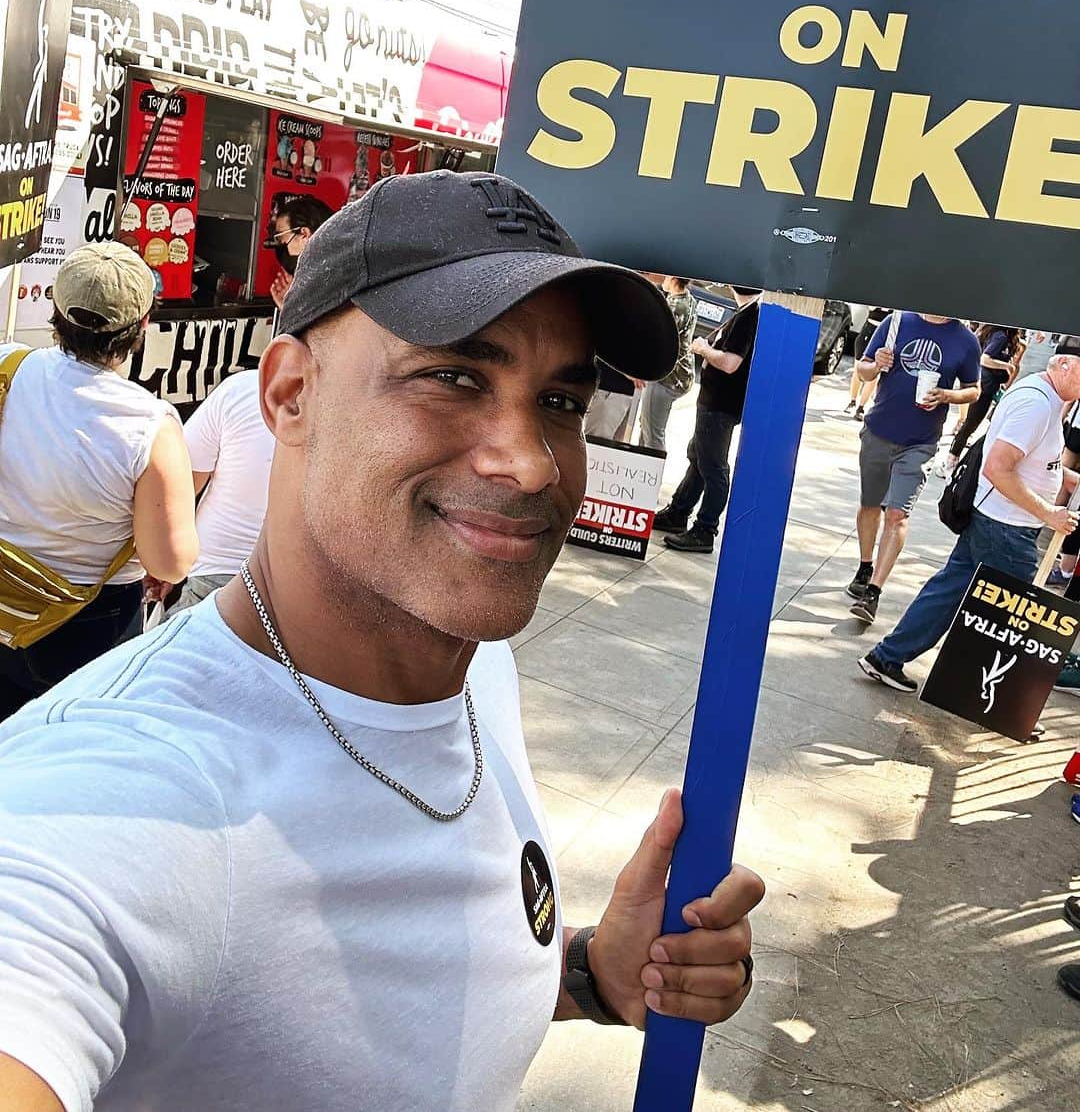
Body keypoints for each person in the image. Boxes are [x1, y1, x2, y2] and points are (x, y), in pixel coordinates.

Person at [0, 172, 763, 1111]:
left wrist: (593, 978)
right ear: (289, 395)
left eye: (561, 402)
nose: (527, 463)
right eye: (452, 377)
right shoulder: (113, 803)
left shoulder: (476, 666)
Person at [0, 244, 197, 720]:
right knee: (62, 754)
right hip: (89, 622)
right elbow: (170, 561)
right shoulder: (152, 426)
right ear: (141, 327)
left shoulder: (8, 366)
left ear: (56, 311)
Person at [859, 345, 1080, 691]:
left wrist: (1062, 477)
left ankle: (886, 657)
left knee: (948, 592)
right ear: (1064, 364)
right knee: (1016, 618)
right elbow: (997, 467)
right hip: (1006, 529)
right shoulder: (1036, 403)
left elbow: (1029, 458)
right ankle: (1000, 701)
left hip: (997, 524)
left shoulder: (1046, 396)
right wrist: (1048, 512)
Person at [847, 312, 981, 623]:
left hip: (920, 442)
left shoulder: (965, 340)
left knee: (897, 513)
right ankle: (865, 565)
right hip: (879, 431)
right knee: (870, 505)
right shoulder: (895, 323)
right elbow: (864, 371)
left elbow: (974, 389)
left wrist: (947, 395)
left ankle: (873, 593)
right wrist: (875, 364)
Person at [653, 286, 761, 554]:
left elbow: (730, 363)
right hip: (715, 402)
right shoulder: (745, 313)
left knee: (712, 465)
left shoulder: (749, 316)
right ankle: (679, 510)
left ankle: (705, 528)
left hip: (721, 404)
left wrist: (704, 350)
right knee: (699, 456)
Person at [166, 368, 275, 614]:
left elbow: (181, 486)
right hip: (296, 590)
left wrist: (166, 561)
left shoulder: (243, 388)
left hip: (215, 577)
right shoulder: (358, 403)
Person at [944, 325, 1022, 467]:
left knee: (970, 424)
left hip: (990, 386)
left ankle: (953, 457)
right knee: (970, 424)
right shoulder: (1001, 337)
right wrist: (1007, 367)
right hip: (986, 386)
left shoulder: (1003, 336)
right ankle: (951, 459)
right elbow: (984, 359)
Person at [638, 275, 698, 450]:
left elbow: (657, 340)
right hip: (681, 373)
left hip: (667, 377)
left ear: (673, 278)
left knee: (653, 434)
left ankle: (651, 471)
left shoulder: (675, 306)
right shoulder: (688, 299)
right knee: (648, 426)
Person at [264, 192, 335, 308]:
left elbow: (326, 324)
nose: (287, 250)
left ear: (304, 234)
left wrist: (294, 305)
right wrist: (289, 307)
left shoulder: (330, 282)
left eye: (283, 239)